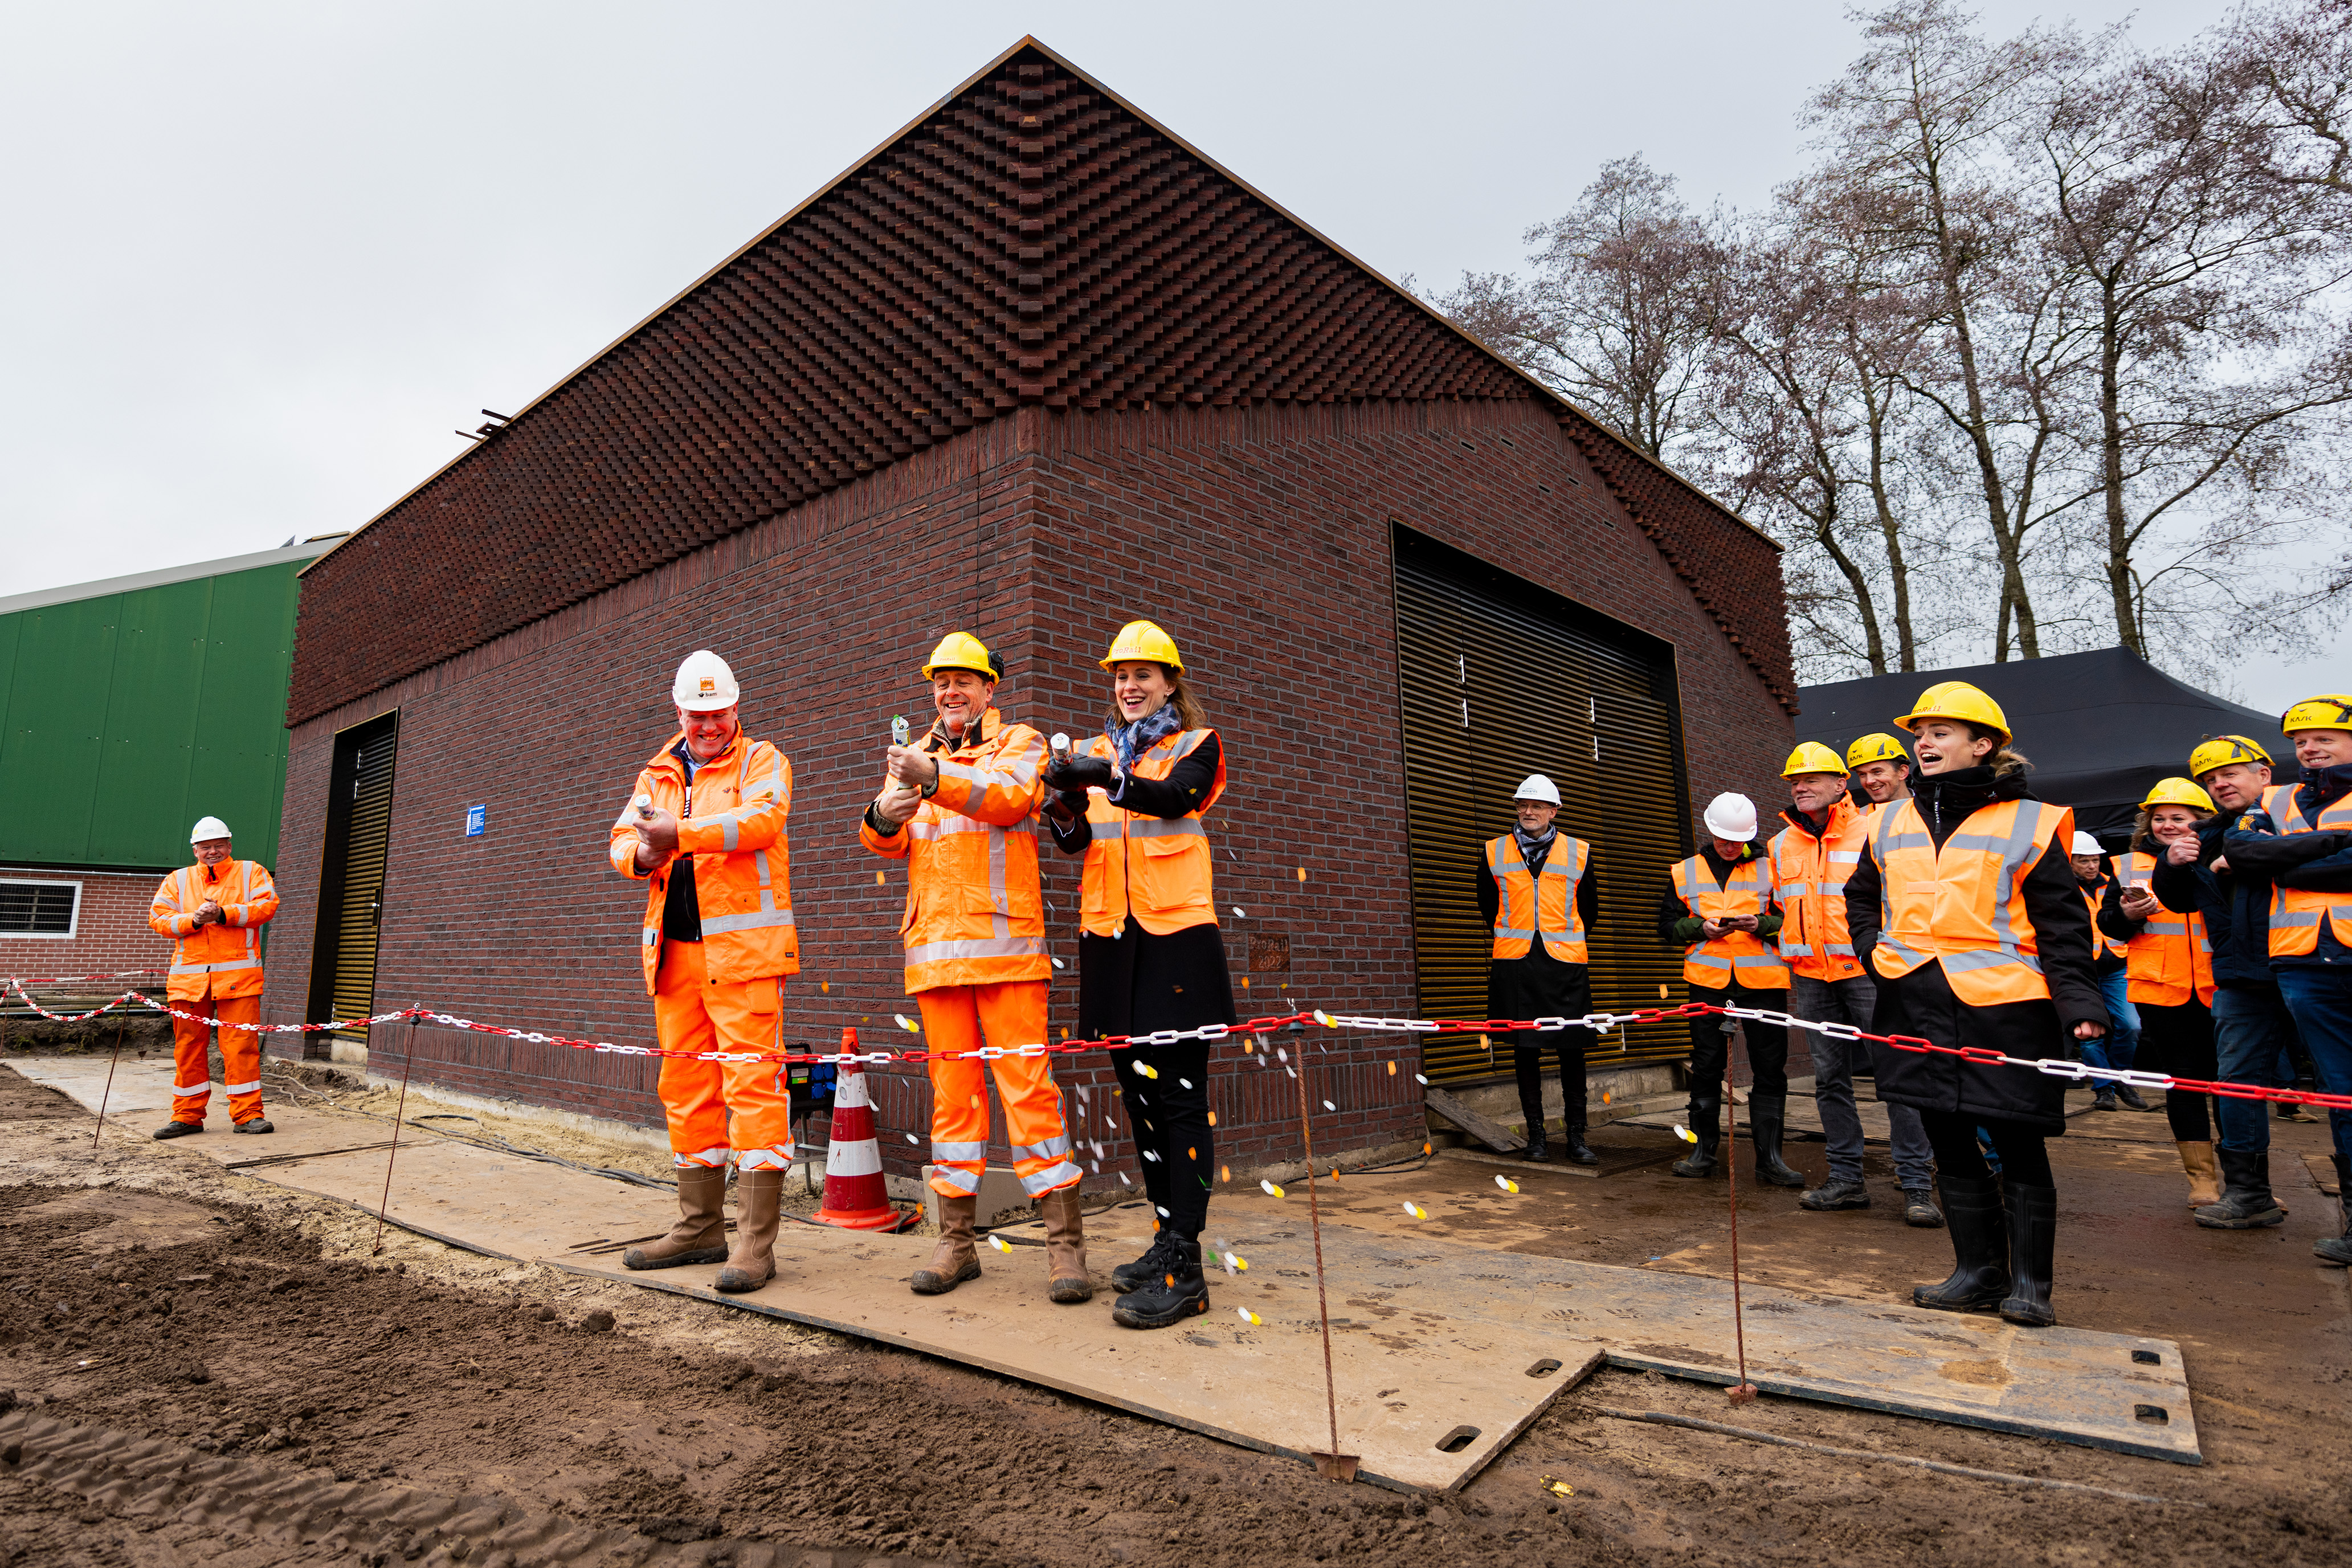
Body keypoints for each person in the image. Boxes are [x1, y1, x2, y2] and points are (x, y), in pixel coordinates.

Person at [1843, 681, 2106, 1328]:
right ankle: (1977, 1274)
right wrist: (1872, 949)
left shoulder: (2031, 821)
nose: (1923, 743)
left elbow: (2063, 923)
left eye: (1940, 733)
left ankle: (2030, 1286)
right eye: (1919, 734)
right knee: (1948, 1137)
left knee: (2018, 1141)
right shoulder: (1887, 821)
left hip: (2005, 1007)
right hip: (1913, 1000)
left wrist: (2078, 1000)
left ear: (1982, 745)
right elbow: (1860, 896)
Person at [863, 632, 1088, 1301]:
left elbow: (1010, 798)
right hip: (937, 957)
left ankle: (1065, 1247)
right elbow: (885, 840)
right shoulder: (915, 754)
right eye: (941, 683)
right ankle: (956, 1243)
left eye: (964, 681)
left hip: (1006, 953)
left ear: (990, 688)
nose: (950, 692)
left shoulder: (1021, 742)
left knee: (1029, 1095)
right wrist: (883, 814)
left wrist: (931, 778)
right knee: (954, 1102)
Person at [1042, 619, 1236, 1329]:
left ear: (1169, 682)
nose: (1129, 686)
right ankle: (1166, 1237)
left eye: (1142, 675)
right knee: (1141, 1101)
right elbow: (1077, 842)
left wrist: (1104, 778)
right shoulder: (1095, 752)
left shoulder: (1196, 745)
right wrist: (1062, 806)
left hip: (1176, 942)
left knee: (1180, 1102)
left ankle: (1188, 1266)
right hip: (1112, 943)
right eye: (1121, 676)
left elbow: (1176, 798)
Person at [606, 651, 799, 1292]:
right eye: (698, 715)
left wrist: (678, 834)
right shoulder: (656, 772)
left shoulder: (762, 760)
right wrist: (642, 853)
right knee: (687, 1092)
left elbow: (762, 821)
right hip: (675, 958)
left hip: (743, 959)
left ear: (736, 709)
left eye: (719, 714)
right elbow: (620, 840)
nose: (709, 726)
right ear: (679, 712)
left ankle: (754, 1246)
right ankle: (699, 1228)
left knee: (754, 1091)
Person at [1770, 745, 1941, 1225]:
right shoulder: (1781, 843)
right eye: (1794, 782)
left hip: (1869, 972)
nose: (1800, 787)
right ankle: (1846, 1179)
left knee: (1898, 1077)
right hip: (1813, 976)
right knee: (1830, 1081)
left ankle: (1916, 1183)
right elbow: (1784, 907)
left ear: (1840, 784)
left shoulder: (1875, 827)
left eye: (1811, 779)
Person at [2226, 695, 2352, 1266]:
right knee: (2342, 1093)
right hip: (2302, 964)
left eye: (2325, 737)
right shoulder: (2274, 798)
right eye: (2302, 741)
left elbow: (2263, 860)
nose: (2311, 748)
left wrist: (2285, 864)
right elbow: (2242, 852)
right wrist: (2334, 845)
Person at [2155, 736, 2298, 1228]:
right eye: (2211, 779)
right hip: (2241, 977)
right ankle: (2248, 1193)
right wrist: (2171, 864)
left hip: (2313, 967)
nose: (2220, 784)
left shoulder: (2298, 815)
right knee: (2236, 1082)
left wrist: (2251, 854)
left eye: (2230, 773)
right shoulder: (2209, 834)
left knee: (2340, 1085)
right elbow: (2180, 901)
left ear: (2264, 774)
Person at [1657, 793, 1802, 1187]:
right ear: (1712, 831)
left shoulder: (1772, 870)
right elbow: (1667, 926)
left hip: (1764, 983)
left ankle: (1770, 1160)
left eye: (1738, 841)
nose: (1731, 846)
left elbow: (1796, 921)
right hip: (1708, 982)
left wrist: (1762, 925)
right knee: (1707, 1065)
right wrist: (1700, 928)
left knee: (1769, 1067)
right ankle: (1703, 1153)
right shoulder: (1685, 871)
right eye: (1724, 839)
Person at [2100, 780, 2224, 1214]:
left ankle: (2246, 1183)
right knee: (2184, 1081)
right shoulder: (2126, 864)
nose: (2167, 825)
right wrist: (2127, 914)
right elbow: (2110, 925)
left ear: (2201, 822)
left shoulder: (2222, 857)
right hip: (2160, 990)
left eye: (2179, 818)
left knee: (2231, 1084)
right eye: (2159, 818)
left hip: (2221, 988)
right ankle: (2203, 1182)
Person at [1472, 774, 1600, 1166]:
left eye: (1537, 806)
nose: (1528, 812)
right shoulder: (1493, 851)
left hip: (1565, 967)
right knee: (1524, 1052)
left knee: (1571, 1052)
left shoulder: (1579, 852)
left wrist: (1558, 941)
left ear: (1554, 811)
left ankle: (1577, 1137)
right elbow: (1487, 904)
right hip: (1516, 965)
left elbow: (1589, 909)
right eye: (1522, 805)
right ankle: (1537, 1137)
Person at [149, 817, 280, 1138]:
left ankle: (248, 1116)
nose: (213, 852)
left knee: (241, 1048)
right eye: (205, 847)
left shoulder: (251, 871)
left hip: (239, 980)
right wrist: (194, 919)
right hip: (189, 983)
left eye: (219, 845)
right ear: (195, 850)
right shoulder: (177, 880)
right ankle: (187, 1117)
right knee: (188, 1049)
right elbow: (159, 919)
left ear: (229, 846)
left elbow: (266, 907)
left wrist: (223, 914)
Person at [2070, 832, 2149, 1113]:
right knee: (2091, 1034)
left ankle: (2119, 1079)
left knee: (2131, 1026)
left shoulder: (2113, 884)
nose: (2092, 866)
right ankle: (2105, 1089)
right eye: (2084, 861)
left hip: (2117, 965)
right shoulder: (2062, 889)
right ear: (2070, 862)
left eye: (2095, 860)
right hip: (2082, 970)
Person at [1844, 732, 1913, 810]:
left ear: (1902, 772)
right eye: (1862, 774)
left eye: (1877, 772)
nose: (1869, 781)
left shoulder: (1925, 807)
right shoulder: (1859, 816)